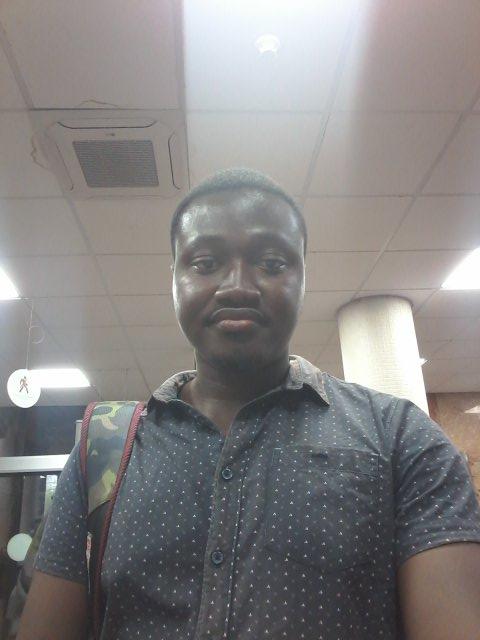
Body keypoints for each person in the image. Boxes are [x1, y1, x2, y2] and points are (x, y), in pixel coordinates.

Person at [18, 168, 480, 639]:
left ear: (303, 279)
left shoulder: (401, 440)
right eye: (205, 263)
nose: (237, 286)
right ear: (174, 279)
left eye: (273, 263)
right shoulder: (103, 451)